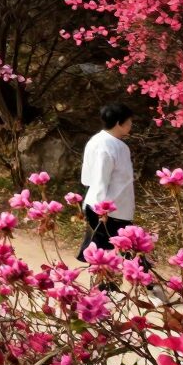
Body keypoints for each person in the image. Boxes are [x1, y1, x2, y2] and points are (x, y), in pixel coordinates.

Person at [79, 101, 137, 260]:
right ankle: (149, 284)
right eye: (129, 121)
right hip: (108, 211)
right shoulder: (109, 146)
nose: (131, 125)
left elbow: (87, 177)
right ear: (119, 123)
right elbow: (100, 180)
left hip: (109, 208)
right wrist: (102, 210)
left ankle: (106, 285)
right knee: (112, 257)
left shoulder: (98, 140)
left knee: (107, 257)